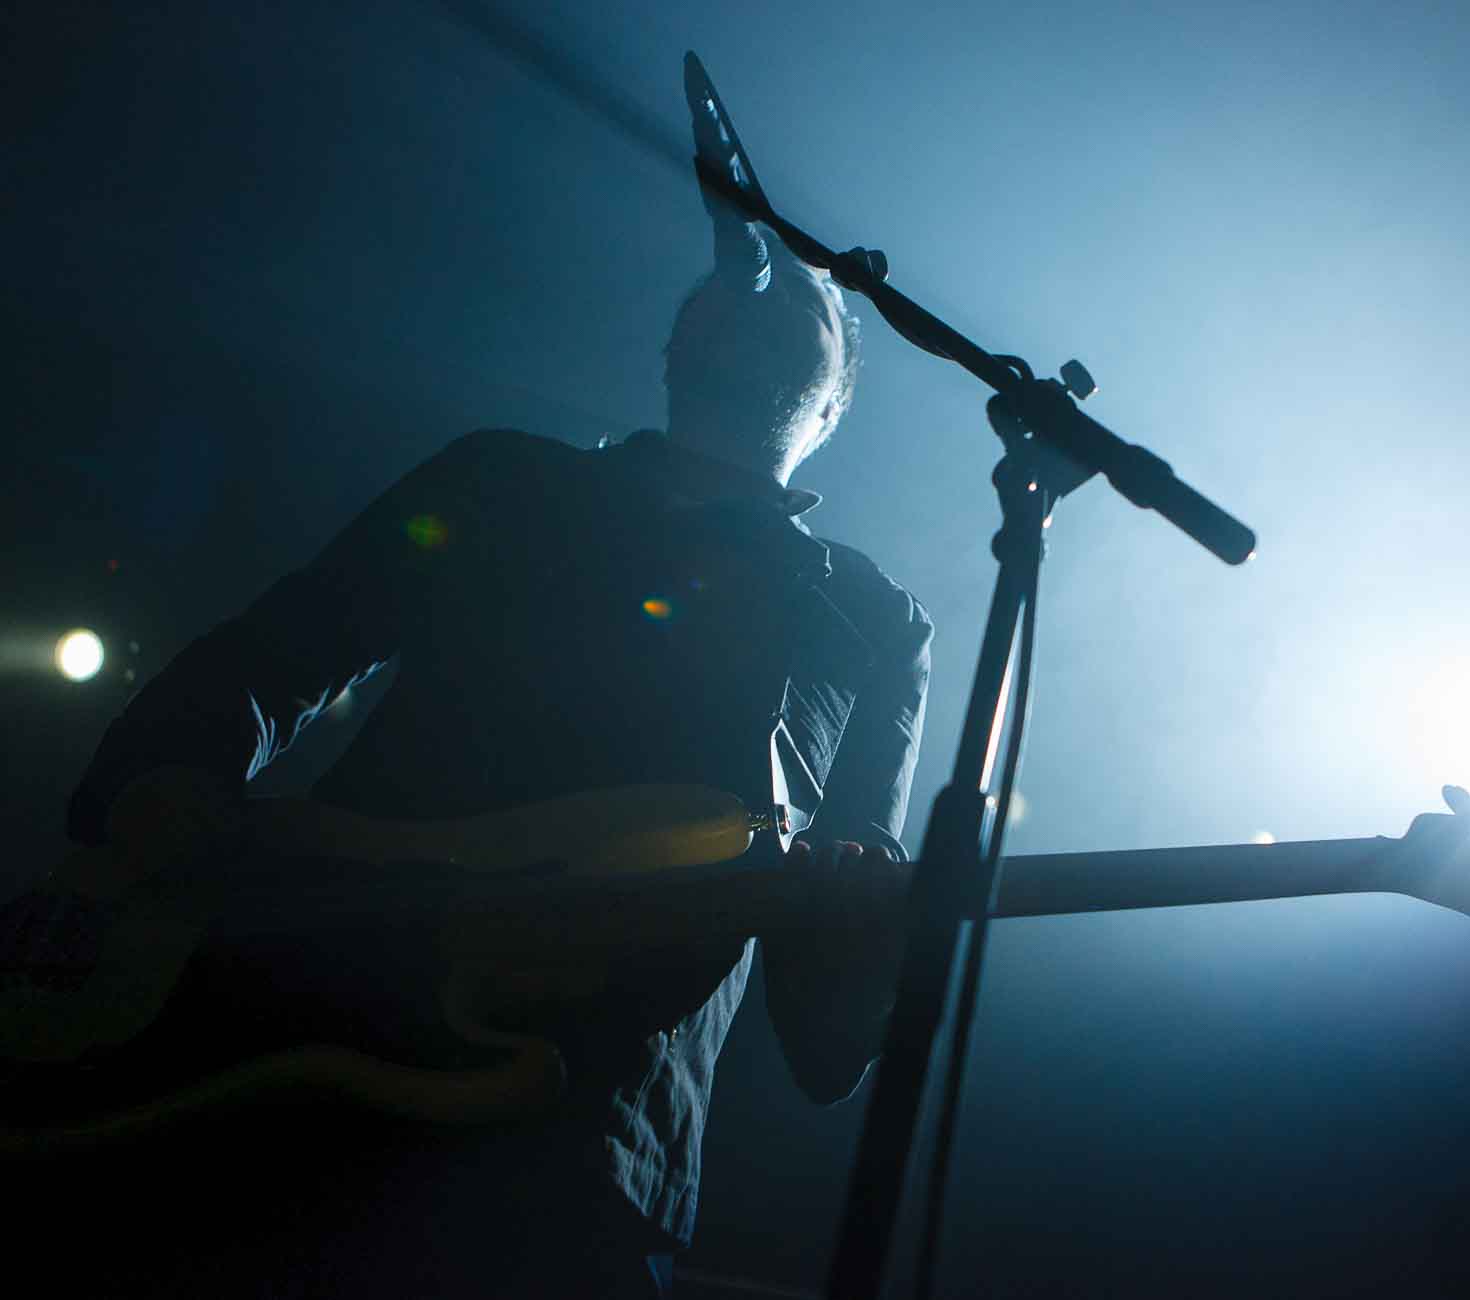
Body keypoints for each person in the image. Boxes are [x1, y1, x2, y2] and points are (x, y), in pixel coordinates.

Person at [58, 205, 928, 1296]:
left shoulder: (872, 618)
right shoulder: (502, 480)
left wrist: (875, 921)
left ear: (835, 390)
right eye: (731, 283)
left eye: (806, 296)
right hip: (287, 1036)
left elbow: (822, 1028)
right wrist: (161, 787)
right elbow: (270, 657)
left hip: (575, 1142)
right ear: (675, 345)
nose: (759, 288)